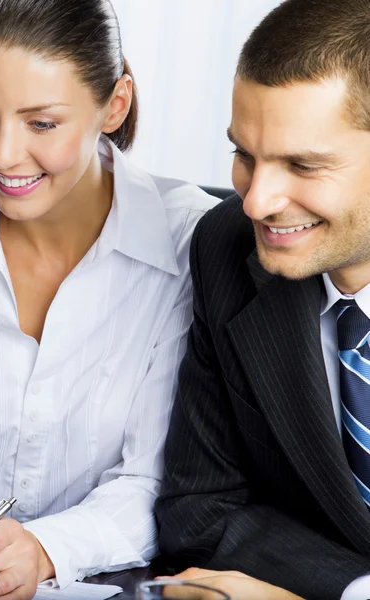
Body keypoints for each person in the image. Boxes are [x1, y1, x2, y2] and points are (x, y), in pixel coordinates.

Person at [0, 0, 217, 598]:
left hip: (114, 579)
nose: (2, 155)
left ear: (115, 105)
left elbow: (154, 481)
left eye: (42, 123)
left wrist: (43, 551)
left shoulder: (191, 239)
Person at [156, 1, 370, 599]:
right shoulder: (225, 247)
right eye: (246, 156)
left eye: (303, 165)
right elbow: (198, 510)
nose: (256, 203)